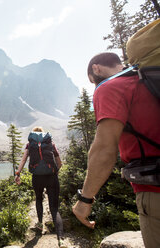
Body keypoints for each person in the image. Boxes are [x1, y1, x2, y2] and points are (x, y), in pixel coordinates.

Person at [72, 52, 160, 247]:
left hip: (154, 190)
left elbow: (104, 149)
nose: (95, 87)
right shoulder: (144, 80)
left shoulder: (110, 87)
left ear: (96, 69)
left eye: (92, 82)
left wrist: (84, 200)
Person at [15, 126, 64, 246]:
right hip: (51, 177)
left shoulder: (29, 144)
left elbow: (23, 160)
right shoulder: (50, 143)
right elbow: (59, 162)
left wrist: (18, 174)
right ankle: (61, 240)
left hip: (37, 177)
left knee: (38, 199)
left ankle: (40, 225)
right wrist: (55, 172)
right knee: (54, 208)